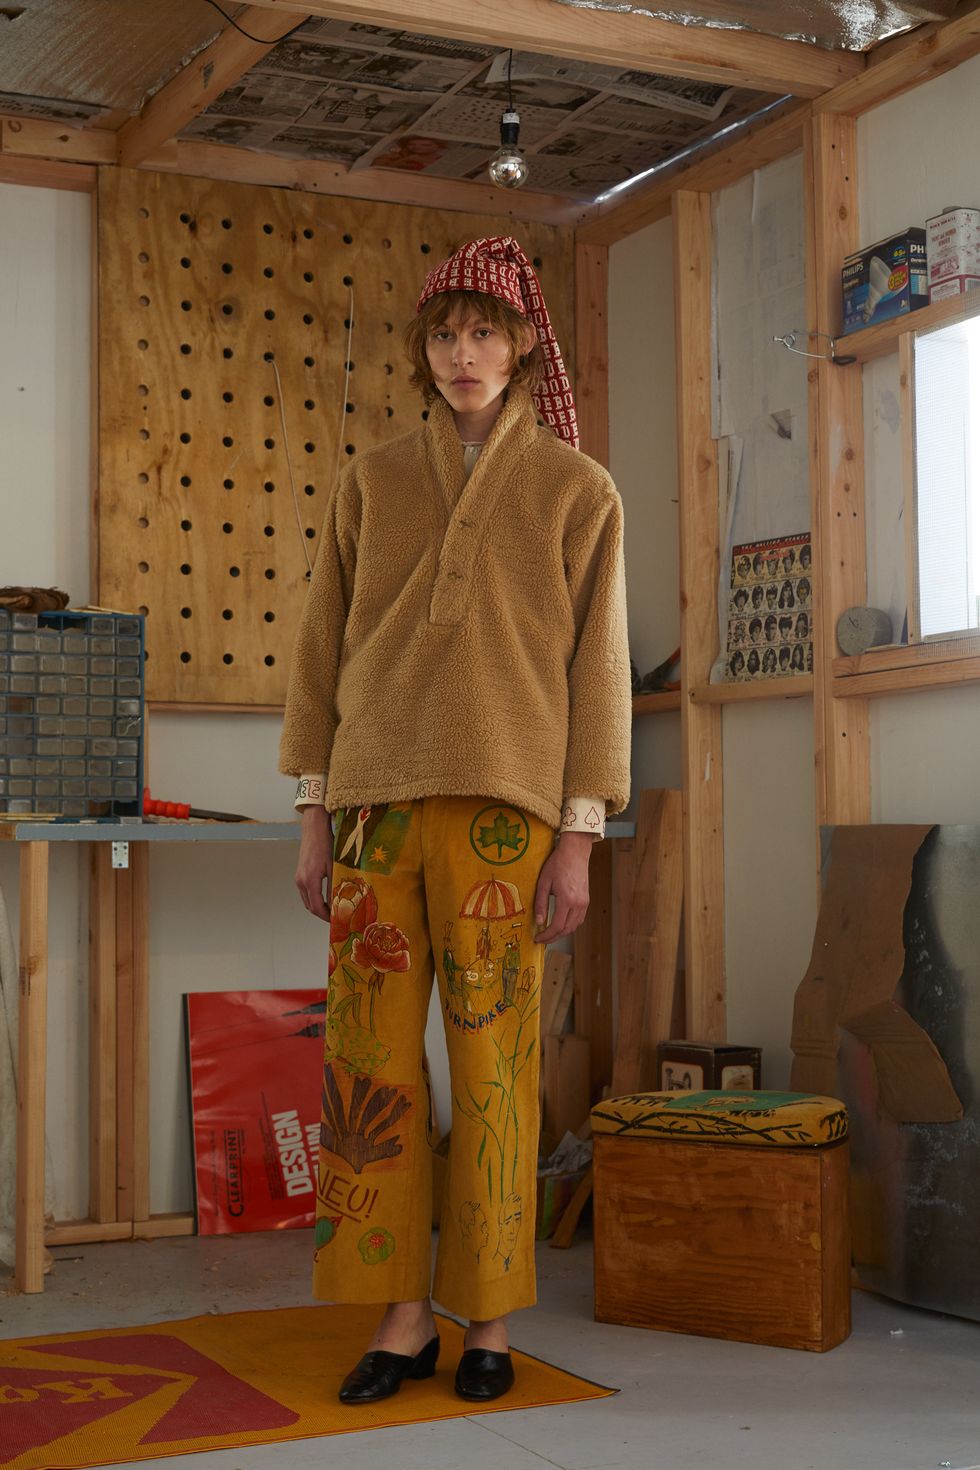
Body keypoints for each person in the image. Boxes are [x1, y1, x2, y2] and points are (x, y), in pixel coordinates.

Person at [279, 237, 631, 1407]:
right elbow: (320, 651)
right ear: (421, 349)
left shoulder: (578, 490)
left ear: (521, 343)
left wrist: (578, 835)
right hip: (372, 809)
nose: (460, 354)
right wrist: (311, 812)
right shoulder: (371, 479)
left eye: (482, 333)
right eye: (441, 334)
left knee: (493, 1073)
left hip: (506, 819)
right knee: (367, 1070)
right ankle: (398, 1315)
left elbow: (598, 673)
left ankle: (487, 1317)